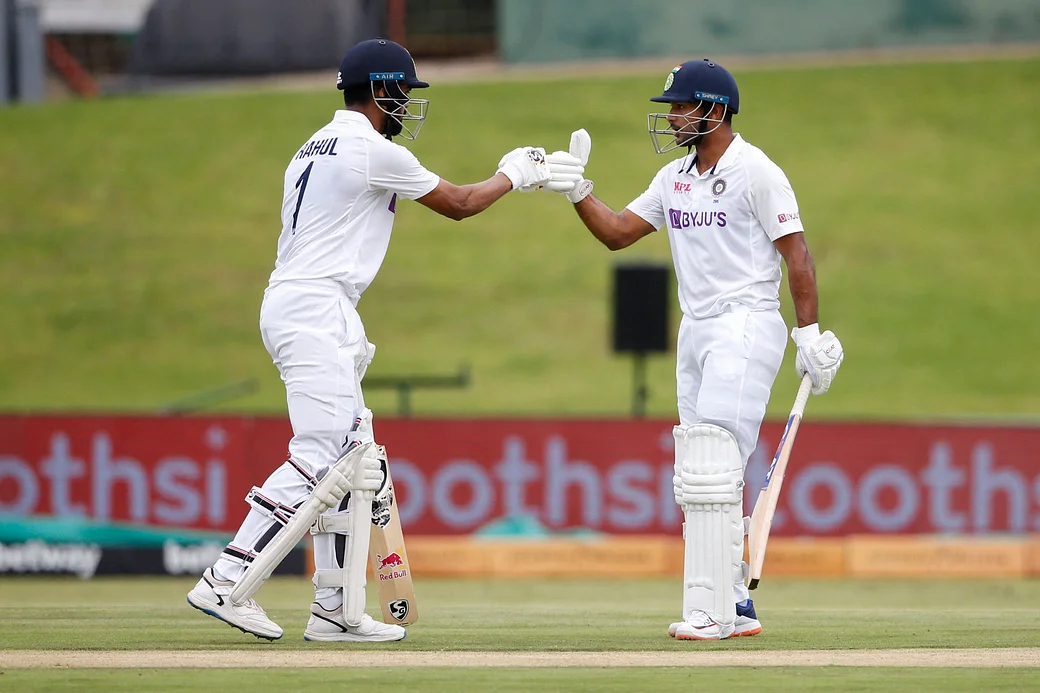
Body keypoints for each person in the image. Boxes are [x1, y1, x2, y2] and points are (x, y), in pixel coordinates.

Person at [186, 38, 552, 642]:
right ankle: (227, 577)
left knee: (356, 463)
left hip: (307, 303)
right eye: (403, 93)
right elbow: (459, 204)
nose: (407, 104)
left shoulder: (311, 146)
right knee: (320, 454)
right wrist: (514, 172)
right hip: (316, 307)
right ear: (381, 91)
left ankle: (335, 608)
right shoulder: (369, 150)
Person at [551, 59, 844, 640]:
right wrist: (577, 190)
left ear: (713, 109)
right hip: (697, 329)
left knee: (716, 462)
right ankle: (731, 599)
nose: (674, 118)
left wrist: (807, 333)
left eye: (682, 107)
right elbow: (616, 232)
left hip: (746, 323)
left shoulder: (757, 171)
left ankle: (713, 608)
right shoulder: (672, 178)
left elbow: (797, 255)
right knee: (699, 468)